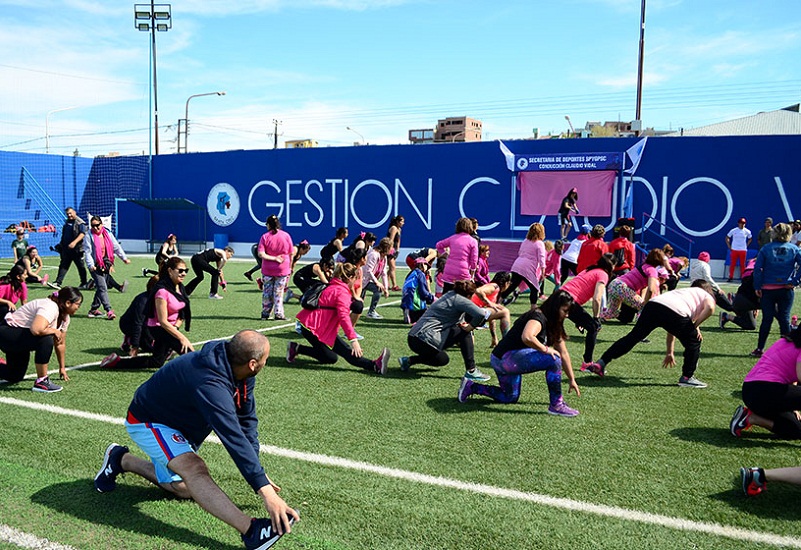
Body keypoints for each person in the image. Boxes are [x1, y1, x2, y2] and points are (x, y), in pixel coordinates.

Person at [93, 330, 299, 549]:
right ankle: (252, 531)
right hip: (148, 421)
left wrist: (256, 468)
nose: (266, 363)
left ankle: (121, 459)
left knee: (183, 488)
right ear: (253, 363)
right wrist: (266, 491)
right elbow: (233, 437)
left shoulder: (241, 372)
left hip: (181, 427)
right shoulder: (210, 384)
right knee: (194, 469)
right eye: (265, 360)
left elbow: (246, 419)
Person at [458, 290, 581, 417]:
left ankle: (471, 386)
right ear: (555, 308)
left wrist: (572, 379)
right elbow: (527, 337)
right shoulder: (538, 317)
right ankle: (557, 405)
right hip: (505, 359)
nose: (566, 315)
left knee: (509, 397)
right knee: (554, 359)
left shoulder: (553, 323)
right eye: (565, 311)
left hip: (504, 359)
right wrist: (545, 349)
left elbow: (564, 352)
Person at [583, 280, 716, 388]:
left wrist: (670, 352)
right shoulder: (707, 296)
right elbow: (710, 308)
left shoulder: (685, 292)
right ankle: (687, 377)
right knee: (694, 341)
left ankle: (601, 363)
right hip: (674, 311)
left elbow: (672, 327)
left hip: (653, 305)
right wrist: (695, 326)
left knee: (633, 337)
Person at [287, 263, 390, 374]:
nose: (356, 282)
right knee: (346, 351)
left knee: (330, 358)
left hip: (313, 324)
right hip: (313, 326)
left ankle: (296, 348)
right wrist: (353, 340)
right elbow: (344, 317)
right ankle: (374, 366)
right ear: (350, 278)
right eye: (356, 279)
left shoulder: (334, 286)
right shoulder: (342, 293)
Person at [100, 257, 193, 370]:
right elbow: (162, 321)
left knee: (157, 361)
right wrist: (181, 337)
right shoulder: (162, 291)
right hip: (159, 328)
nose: (183, 274)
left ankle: (116, 362)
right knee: (190, 353)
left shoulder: (180, 288)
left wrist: (176, 327)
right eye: (180, 270)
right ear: (170, 271)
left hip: (171, 328)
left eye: (186, 271)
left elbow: (182, 313)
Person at [398, 279, 499, 382]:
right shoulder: (460, 300)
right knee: (465, 332)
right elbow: (480, 314)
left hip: (413, 338)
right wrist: (470, 327)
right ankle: (471, 370)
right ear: (469, 294)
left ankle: (408, 361)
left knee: (442, 359)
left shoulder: (450, 295)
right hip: (425, 339)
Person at [0, 286, 83, 393]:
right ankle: (42, 381)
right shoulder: (50, 306)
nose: (79, 307)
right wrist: (54, 331)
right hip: (7, 332)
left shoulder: (65, 317)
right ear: (67, 303)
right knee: (45, 339)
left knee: (15, 376)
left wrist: (62, 368)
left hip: (19, 338)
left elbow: (60, 343)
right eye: (78, 304)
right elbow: (36, 330)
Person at [730, 328, 801, 442]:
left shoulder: (788, 341)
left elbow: (792, 376)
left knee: (797, 430)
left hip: (753, 392)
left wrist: (793, 404)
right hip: (764, 391)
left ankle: (750, 418)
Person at [750, 222, 801, 358]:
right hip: (786, 288)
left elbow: (757, 269)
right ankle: (789, 351)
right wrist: (795, 281)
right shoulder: (794, 249)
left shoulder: (766, 249)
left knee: (767, 319)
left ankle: (760, 348)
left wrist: (757, 286)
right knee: (784, 318)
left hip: (768, 288)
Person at [560, 254, 615, 367]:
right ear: (611, 266)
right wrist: (596, 318)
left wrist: (578, 320)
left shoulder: (589, 270)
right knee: (593, 327)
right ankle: (587, 363)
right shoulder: (603, 274)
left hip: (559, 296)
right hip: (568, 300)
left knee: (546, 329)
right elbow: (597, 298)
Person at [83, 216, 131, 321]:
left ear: (101, 224)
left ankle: (93, 310)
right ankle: (108, 310)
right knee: (102, 287)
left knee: (101, 287)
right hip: (95, 266)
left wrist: (124, 258)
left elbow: (116, 247)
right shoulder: (88, 236)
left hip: (105, 264)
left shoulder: (108, 233)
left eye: (97, 225)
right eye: (93, 226)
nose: (95, 228)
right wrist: (91, 265)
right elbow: (88, 252)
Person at [601, 248, 666, 320]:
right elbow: (651, 289)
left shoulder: (644, 265)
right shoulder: (652, 271)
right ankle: (641, 321)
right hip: (622, 287)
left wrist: (642, 299)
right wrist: (645, 303)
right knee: (643, 307)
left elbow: (644, 287)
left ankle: (598, 317)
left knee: (611, 312)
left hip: (614, 284)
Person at [499, 222, 547, 305]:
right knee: (534, 288)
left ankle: (497, 302)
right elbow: (542, 258)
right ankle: (533, 308)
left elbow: (520, 252)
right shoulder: (540, 243)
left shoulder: (525, 241)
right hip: (528, 267)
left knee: (512, 286)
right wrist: (543, 270)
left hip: (517, 265)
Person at [257, 215, 294, 320]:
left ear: (268, 225)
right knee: (279, 292)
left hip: (268, 269)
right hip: (283, 268)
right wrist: (290, 268)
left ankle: (265, 313)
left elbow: (261, 254)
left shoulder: (265, 237)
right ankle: (278, 313)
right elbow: (291, 253)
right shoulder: (286, 236)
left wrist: (273, 258)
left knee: (267, 292)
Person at [436, 217, 479, 294]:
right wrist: (472, 275)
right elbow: (474, 260)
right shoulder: (473, 241)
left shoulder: (452, 238)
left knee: (446, 297)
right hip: (463, 272)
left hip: (449, 271)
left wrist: (445, 254)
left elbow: (439, 245)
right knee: (462, 297)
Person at [118, 277, 159, 356]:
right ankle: (129, 339)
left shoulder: (161, 299)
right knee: (150, 348)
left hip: (147, 324)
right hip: (130, 325)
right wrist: (135, 346)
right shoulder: (143, 301)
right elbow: (138, 323)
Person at [471, 271, 512, 347]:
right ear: (506, 283)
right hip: (471, 313)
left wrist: (494, 338)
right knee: (505, 312)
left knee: (470, 344)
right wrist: (489, 303)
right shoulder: (494, 286)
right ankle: (507, 341)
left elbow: (492, 319)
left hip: (471, 315)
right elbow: (478, 291)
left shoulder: (496, 290)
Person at [719, 258, 759, 331]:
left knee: (751, 325)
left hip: (746, 291)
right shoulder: (760, 268)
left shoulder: (753, 262)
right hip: (746, 297)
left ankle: (727, 316)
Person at [54, 207, 89, 289]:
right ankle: (58, 282)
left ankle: (84, 283)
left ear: (74, 212)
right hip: (66, 249)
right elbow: (64, 234)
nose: (69, 215)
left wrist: (74, 242)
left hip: (77, 249)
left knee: (81, 267)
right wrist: (61, 244)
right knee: (63, 265)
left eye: (70, 213)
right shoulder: (67, 222)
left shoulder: (80, 222)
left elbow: (82, 234)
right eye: (67, 214)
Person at [361, 237, 392, 319]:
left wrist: (386, 288)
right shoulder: (374, 255)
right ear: (387, 248)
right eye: (390, 247)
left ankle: (371, 311)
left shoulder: (384, 257)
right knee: (356, 301)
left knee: (358, 302)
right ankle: (371, 312)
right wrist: (377, 282)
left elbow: (384, 273)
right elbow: (368, 271)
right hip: (362, 279)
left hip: (368, 280)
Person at [401, 257, 435, 324]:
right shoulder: (420, 274)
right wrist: (431, 299)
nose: (427, 268)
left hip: (406, 304)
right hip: (416, 307)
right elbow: (423, 292)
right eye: (426, 265)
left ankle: (408, 313)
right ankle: (413, 318)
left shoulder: (410, 274)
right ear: (422, 264)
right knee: (432, 316)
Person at [726, 217, 752, 282]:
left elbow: (750, 238)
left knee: (742, 264)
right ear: (738, 223)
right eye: (741, 223)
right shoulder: (734, 230)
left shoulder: (747, 231)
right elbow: (727, 237)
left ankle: (743, 277)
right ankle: (730, 276)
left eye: (744, 223)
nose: (742, 224)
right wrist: (729, 246)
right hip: (734, 249)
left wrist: (746, 245)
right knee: (732, 264)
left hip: (743, 250)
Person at [386, 215, 404, 291]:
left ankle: (386, 284)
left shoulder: (399, 229)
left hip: (395, 251)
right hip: (390, 250)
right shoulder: (394, 228)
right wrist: (390, 250)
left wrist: (398, 250)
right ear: (397, 221)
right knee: (392, 267)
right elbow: (391, 240)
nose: (403, 223)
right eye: (402, 221)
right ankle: (394, 285)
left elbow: (398, 241)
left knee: (391, 268)